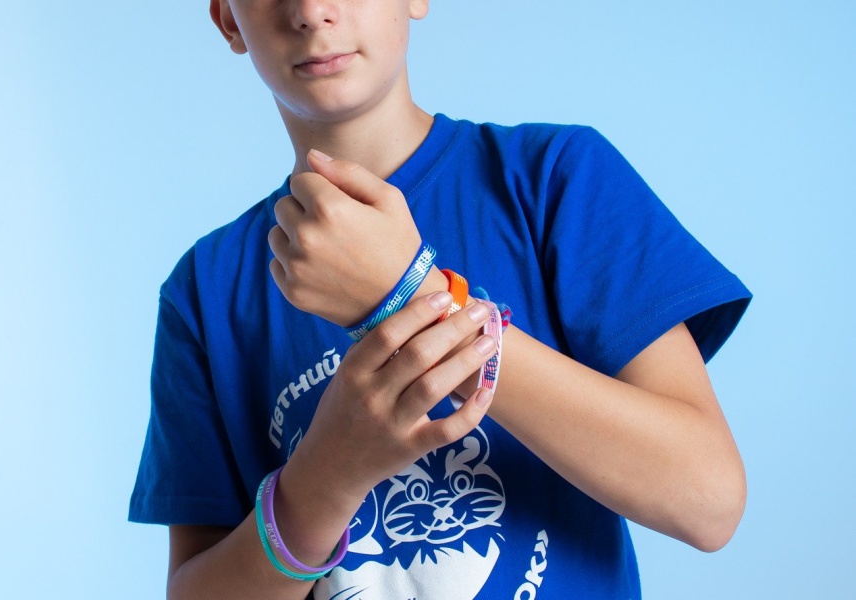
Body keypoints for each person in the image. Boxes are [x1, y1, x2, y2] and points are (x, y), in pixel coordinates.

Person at [129, 1, 752, 598]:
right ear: (228, 18)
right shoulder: (204, 289)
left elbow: (708, 500)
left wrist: (407, 293)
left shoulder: (555, 179)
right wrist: (328, 473)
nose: (312, 10)